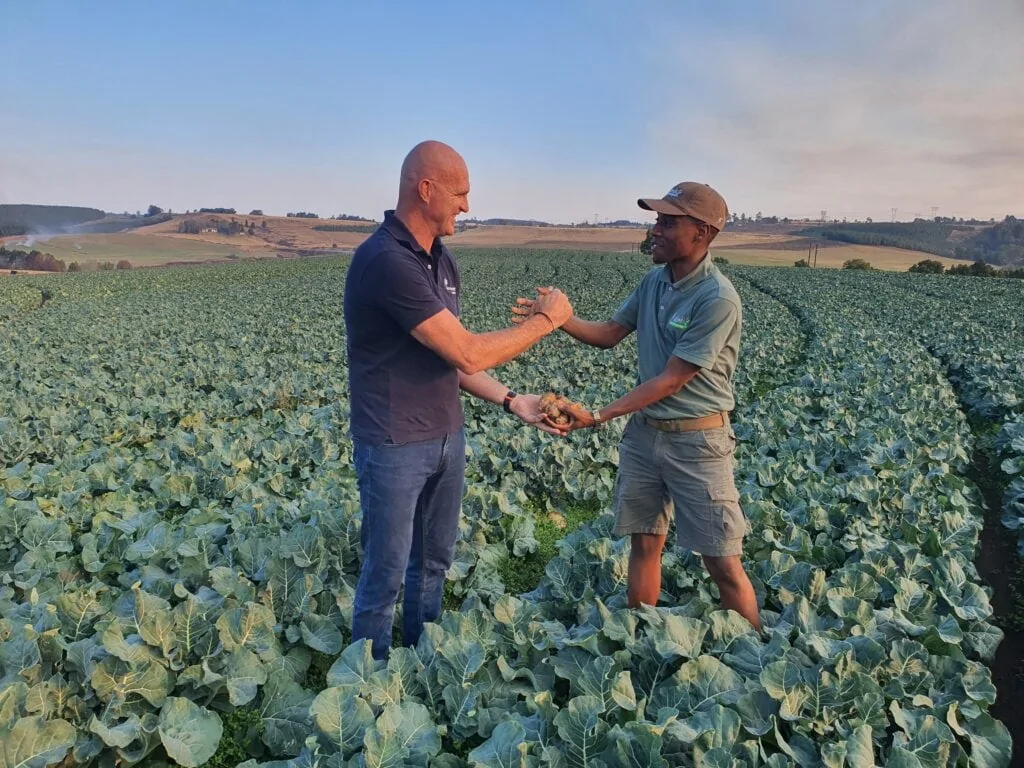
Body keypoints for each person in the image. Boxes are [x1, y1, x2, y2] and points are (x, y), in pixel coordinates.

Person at [343, 140, 574, 659]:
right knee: (385, 572)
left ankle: (421, 659)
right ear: (425, 190)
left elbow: (449, 357)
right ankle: (368, 682)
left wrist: (513, 399)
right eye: (460, 193)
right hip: (394, 443)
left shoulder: (441, 261)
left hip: (446, 436)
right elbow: (468, 351)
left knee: (433, 563)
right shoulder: (384, 260)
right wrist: (546, 321)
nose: (467, 206)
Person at [513, 182, 760, 630]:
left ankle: (755, 656)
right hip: (646, 435)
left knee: (722, 561)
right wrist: (555, 318)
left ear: (702, 233)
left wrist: (601, 414)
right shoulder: (654, 281)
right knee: (645, 543)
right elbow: (609, 333)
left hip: (698, 442)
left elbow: (670, 379)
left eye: (668, 222)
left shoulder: (716, 298)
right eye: (656, 220)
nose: (655, 230)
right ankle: (639, 639)